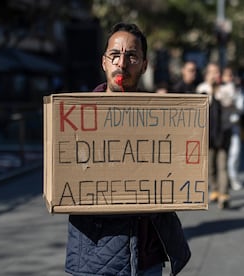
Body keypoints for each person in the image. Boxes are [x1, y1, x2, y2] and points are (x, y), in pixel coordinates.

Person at [65, 22, 191, 276]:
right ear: (104, 62)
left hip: (149, 259)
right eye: (115, 55)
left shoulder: (161, 117)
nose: (122, 63)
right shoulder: (76, 120)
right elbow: (66, 180)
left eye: (132, 56)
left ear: (144, 65)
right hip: (98, 258)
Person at [196, 63, 232, 209]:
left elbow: (229, 102)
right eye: (211, 72)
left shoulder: (227, 88)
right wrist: (210, 89)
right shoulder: (202, 88)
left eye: (216, 72)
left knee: (222, 165)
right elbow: (200, 105)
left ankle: (224, 195)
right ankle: (215, 190)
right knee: (210, 166)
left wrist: (217, 90)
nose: (214, 75)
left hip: (223, 132)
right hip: (208, 134)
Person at [219, 66, 244, 191]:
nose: (230, 77)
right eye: (227, 75)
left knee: (235, 153)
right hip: (222, 127)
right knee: (223, 155)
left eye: (231, 75)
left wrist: (233, 102)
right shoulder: (219, 89)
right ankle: (224, 180)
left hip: (234, 126)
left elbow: (241, 108)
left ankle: (233, 178)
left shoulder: (237, 90)